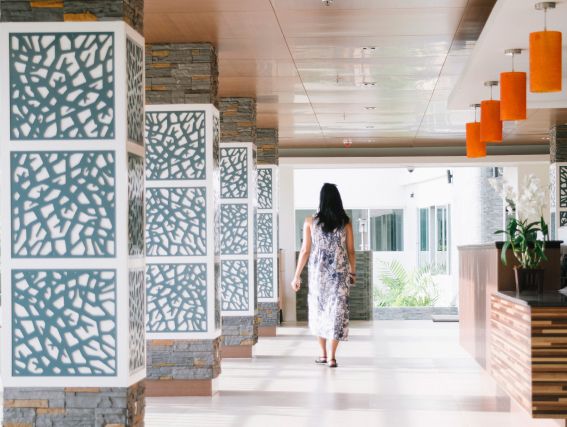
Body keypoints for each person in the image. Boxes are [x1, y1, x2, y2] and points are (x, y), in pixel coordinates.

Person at [291, 183, 356, 368]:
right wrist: (352, 271)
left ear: (321, 199)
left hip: (318, 275)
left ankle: (323, 353)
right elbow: (351, 250)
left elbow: (305, 250)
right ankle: (332, 357)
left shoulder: (310, 222)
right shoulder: (346, 223)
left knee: (319, 312)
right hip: (339, 274)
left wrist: (296, 276)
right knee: (337, 313)